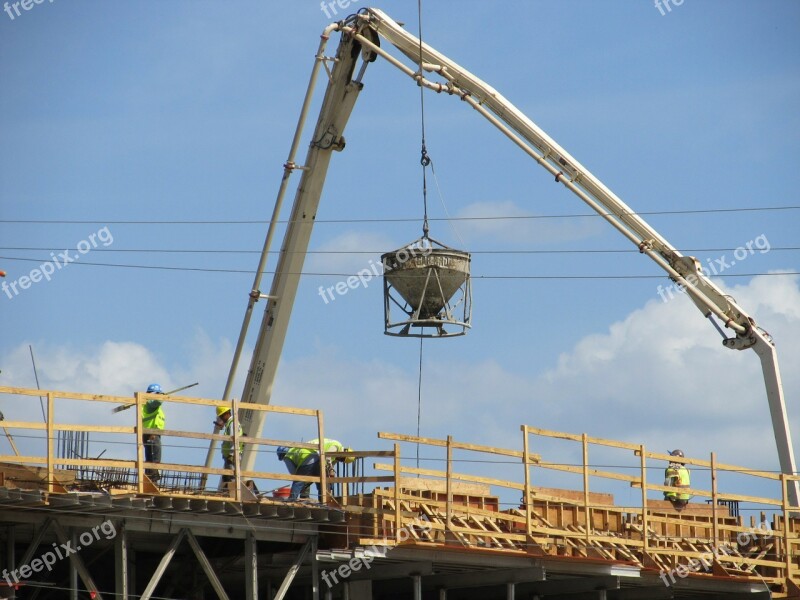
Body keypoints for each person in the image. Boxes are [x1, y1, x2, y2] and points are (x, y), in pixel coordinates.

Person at [277, 438, 354, 501]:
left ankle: (321, 500)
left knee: (319, 481)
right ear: (344, 453)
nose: (340, 460)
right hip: (309, 454)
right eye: (342, 459)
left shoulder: (337, 453)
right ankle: (298, 499)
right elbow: (327, 458)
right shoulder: (336, 446)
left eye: (342, 461)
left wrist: (330, 477)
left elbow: (330, 466)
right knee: (301, 479)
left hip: (314, 455)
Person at [142, 383, 165, 483]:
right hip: (152, 435)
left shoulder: (147, 405)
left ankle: (149, 480)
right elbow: (159, 401)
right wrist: (161, 396)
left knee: (150, 459)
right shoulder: (151, 404)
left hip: (151, 434)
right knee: (154, 459)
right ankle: (152, 481)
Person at [216, 404, 243, 487]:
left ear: (226, 414)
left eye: (221, 416)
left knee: (231, 476)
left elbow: (233, 439)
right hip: (231, 454)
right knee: (228, 476)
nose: (221, 418)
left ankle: (235, 491)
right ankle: (232, 491)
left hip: (231, 454)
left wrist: (231, 455)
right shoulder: (231, 423)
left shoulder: (232, 423)